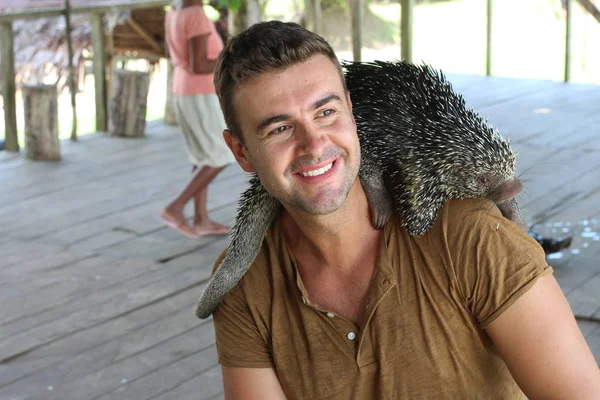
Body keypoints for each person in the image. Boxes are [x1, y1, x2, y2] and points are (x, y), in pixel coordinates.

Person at [211, 21, 600, 399]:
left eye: (326, 112)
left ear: (350, 110)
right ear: (241, 151)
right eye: (279, 128)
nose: (314, 144)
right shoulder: (246, 283)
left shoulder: (475, 239)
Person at [161, 0, 234, 238]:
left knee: (202, 156)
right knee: (221, 154)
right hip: (201, 93)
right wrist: (233, 58)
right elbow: (200, 64)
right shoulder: (195, 14)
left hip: (184, 90)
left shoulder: (175, 10)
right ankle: (175, 207)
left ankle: (201, 219)